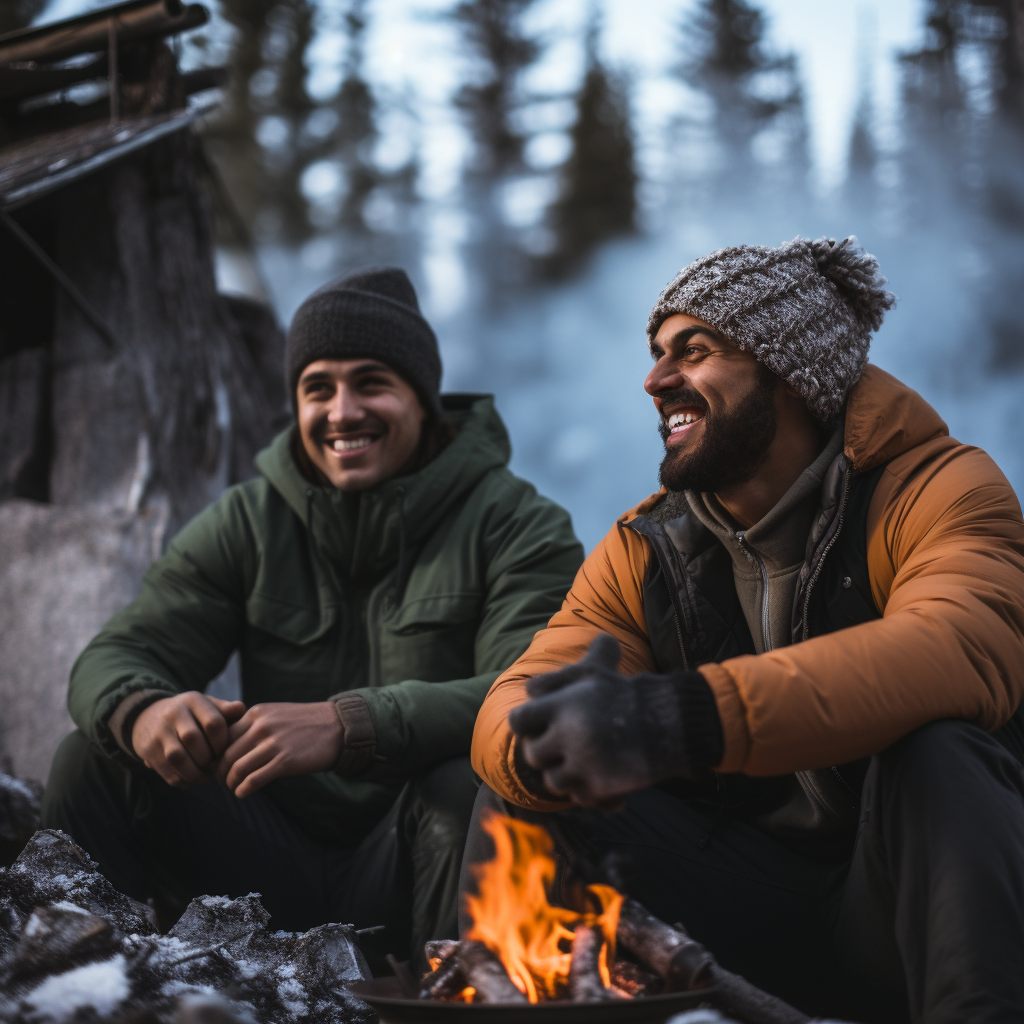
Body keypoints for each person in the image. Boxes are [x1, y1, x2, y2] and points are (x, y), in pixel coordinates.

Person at [469, 237, 1024, 1023]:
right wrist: (542, 740)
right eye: (658, 355)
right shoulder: (645, 546)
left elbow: (963, 646)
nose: (657, 381)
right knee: (529, 784)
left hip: (910, 908)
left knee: (943, 752)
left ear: (789, 372)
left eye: (693, 352)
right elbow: (516, 694)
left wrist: (682, 720)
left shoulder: (940, 488)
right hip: (747, 905)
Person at [42, 267, 584, 969]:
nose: (341, 412)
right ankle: (71, 991)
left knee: (471, 782)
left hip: (420, 867)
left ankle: (458, 1002)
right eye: (317, 388)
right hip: (271, 862)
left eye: (372, 383)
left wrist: (349, 725)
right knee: (93, 757)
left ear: (421, 399)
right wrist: (146, 711)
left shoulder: (518, 523)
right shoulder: (248, 520)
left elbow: (536, 695)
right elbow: (115, 655)